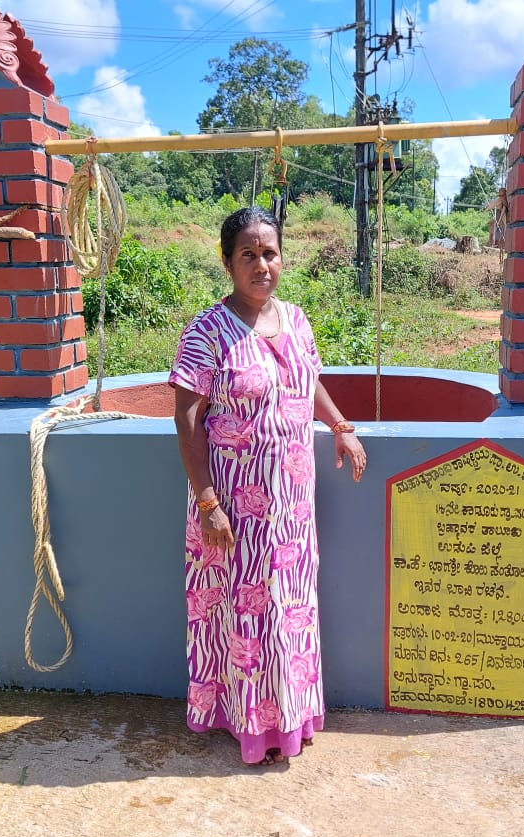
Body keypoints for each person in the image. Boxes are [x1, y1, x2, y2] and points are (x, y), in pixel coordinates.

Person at [170, 206, 366, 767]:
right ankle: (250, 725)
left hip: (292, 510)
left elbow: (309, 383)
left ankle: (291, 717)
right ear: (228, 262)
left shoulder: (297, 320)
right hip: (234, 508)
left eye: (270, 253)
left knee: (292, 612)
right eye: (249, 255)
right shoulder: (205, 332)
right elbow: (186, 421)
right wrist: (208, 502)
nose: (262, 265)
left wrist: (340, 427)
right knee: (243, 616)